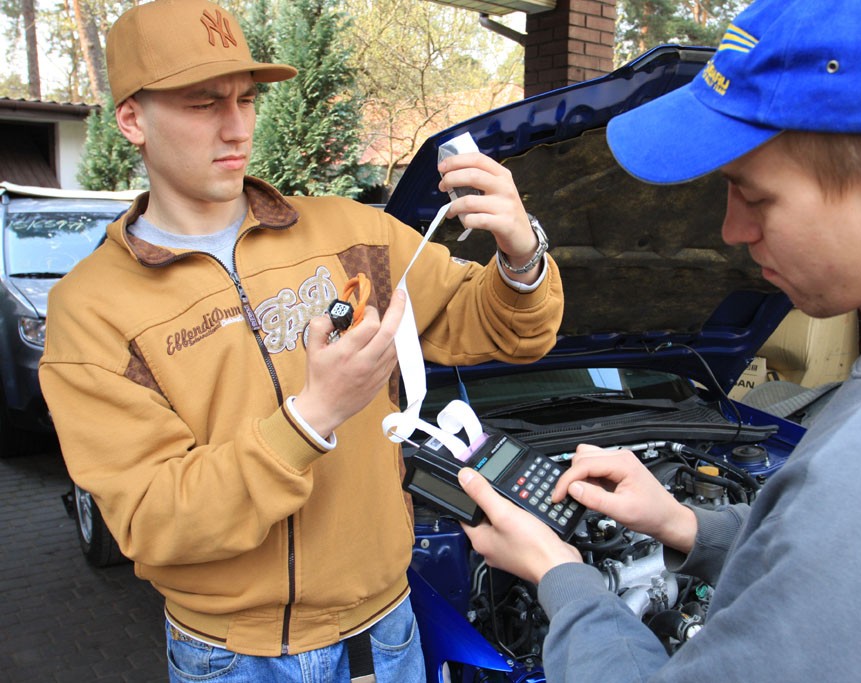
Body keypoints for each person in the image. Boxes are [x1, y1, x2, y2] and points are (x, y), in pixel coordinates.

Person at [457, 0, 861, 681]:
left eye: (752, 195)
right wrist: (686, 525)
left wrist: (563, 577)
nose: (730, 231)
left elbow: (858, 530)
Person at [38, 0, 563, 680]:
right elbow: (154, 515)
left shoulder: (352, 235)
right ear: (133, 118)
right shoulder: (91, 310)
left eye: (246, 99)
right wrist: (312, 417)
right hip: (228, 656)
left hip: (383, 636)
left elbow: (502, 328)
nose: (236, 128)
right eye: (203, 104)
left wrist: (521, 254)